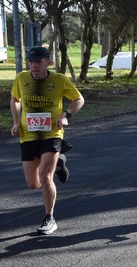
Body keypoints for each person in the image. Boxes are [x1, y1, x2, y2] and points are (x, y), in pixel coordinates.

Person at [10, 46, 85, 234]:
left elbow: (79, 99)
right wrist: (16, 121)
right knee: (33, 184)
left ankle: (49, 218)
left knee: (45, 176)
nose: (34, 65)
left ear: (48, 62)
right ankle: (58, 164)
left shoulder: (59, 80)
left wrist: (65, 114)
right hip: (28, 134)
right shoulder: (22, 78)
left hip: (52, 132)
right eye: (31, 61)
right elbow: (15, 99)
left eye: (38, 61)